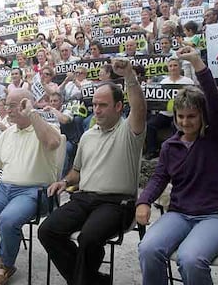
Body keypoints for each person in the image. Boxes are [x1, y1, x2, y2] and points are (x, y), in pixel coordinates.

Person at [38, 57, 147, 285]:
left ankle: (85, 281)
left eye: (103, 105)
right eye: (95, 104)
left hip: (117, 203)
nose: (96, 110)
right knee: (47, 230)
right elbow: (76, 171)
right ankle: (93, 281)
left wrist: (129, 75)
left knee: (89, 238)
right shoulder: (87, 136)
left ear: (118, 106)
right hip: (84, 198)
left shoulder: (129, 131)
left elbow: (139, 107)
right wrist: (63, 181)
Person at [137, 46, 218, 285]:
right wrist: (144, 201)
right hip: (179, 214)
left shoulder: (215, 137)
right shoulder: (170, 146)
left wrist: (198, 65)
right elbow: (159, 178)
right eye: (180, 116)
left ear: (202, 116)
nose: (185, 121)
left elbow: (214, 102)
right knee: (147, 249)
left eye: (191, 116)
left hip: (216, 217)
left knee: (190, 259)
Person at [0, 88, 61, 284]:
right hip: (5, 189)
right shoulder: (7, 134)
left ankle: (5, 264)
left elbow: (52, 142)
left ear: (29, 105)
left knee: (7, 219)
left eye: (15, 105)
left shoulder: (45, 128)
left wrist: (32, 113)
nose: (9, 109)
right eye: (7, 105)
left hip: (35, 191)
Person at [145, 56, 195, 160]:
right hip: (165, 113)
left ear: (179, 67)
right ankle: (152, 150)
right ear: (168, 68)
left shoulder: (188, 81)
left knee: (175, 126)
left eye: (175, 65)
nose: (173, 68)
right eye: (171, 66)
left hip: (180, 114)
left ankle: (175, 152)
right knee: (150, 125)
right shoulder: (163, 82)